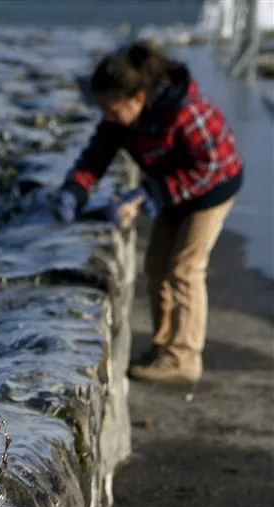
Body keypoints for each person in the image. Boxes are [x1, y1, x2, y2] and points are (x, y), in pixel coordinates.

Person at [52, 40, 243, 383]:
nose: (108, 118)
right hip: (171, 189)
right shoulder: (122, 117)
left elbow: (210, 167)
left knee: (185, 268)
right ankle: (161, 347)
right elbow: (97, 154)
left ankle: (183, 358)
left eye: (112, 111)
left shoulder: (186, 110)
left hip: (214, 187)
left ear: (137, 98)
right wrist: (75, 189)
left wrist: (150, 192)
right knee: (156, 266)